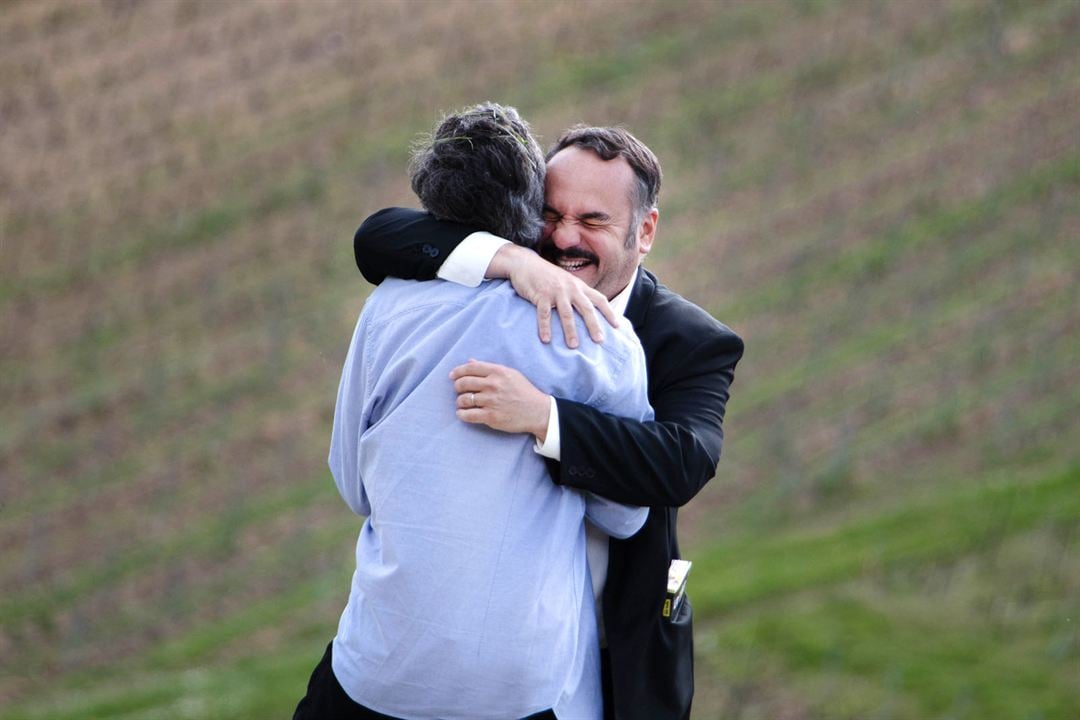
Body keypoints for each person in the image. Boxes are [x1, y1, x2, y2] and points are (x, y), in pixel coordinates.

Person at [352, 125, 745, 719]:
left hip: (619, 640)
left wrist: (545, 417)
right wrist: (509, 258)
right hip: (476, 658)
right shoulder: (512, 275)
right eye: (550, 214)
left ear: (645, 232)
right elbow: (378, 236)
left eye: (592, 221)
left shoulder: (689, 340)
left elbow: (681, 460)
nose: (563, 238)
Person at [294, 104, 653, 720]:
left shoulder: (386, 309)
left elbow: (352, 484)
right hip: (519, 690)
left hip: (380, 669)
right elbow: (623, 518)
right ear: (529, 208)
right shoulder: (602, 339)